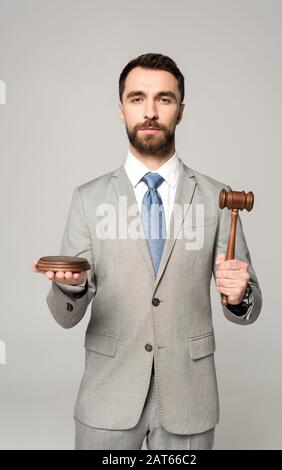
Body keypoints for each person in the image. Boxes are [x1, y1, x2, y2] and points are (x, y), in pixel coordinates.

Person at [32, 53, 262, 450]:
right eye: (137, 98)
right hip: (109, 399)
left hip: (189, 400)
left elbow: (248, 308)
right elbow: (64, 316)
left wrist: (240, 296)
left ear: (181, 111)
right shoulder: (88, 199)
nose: (151, 112)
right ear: (121, 110)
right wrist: (71, 289)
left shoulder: (218, 198)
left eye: (164, 99)